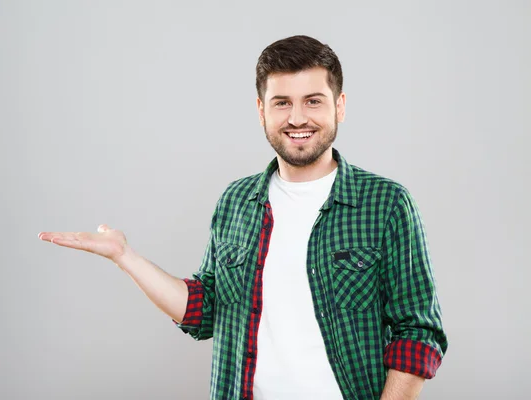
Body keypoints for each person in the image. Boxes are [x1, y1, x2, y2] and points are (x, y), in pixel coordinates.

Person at [38, 35, 448, 400]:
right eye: (282, 102)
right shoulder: (236, 200)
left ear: (340, 106)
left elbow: (418, 334)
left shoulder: (386, 203)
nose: (298, 118)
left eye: (313, 101)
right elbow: (204, 311)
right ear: (260, 110)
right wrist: (125, 257)